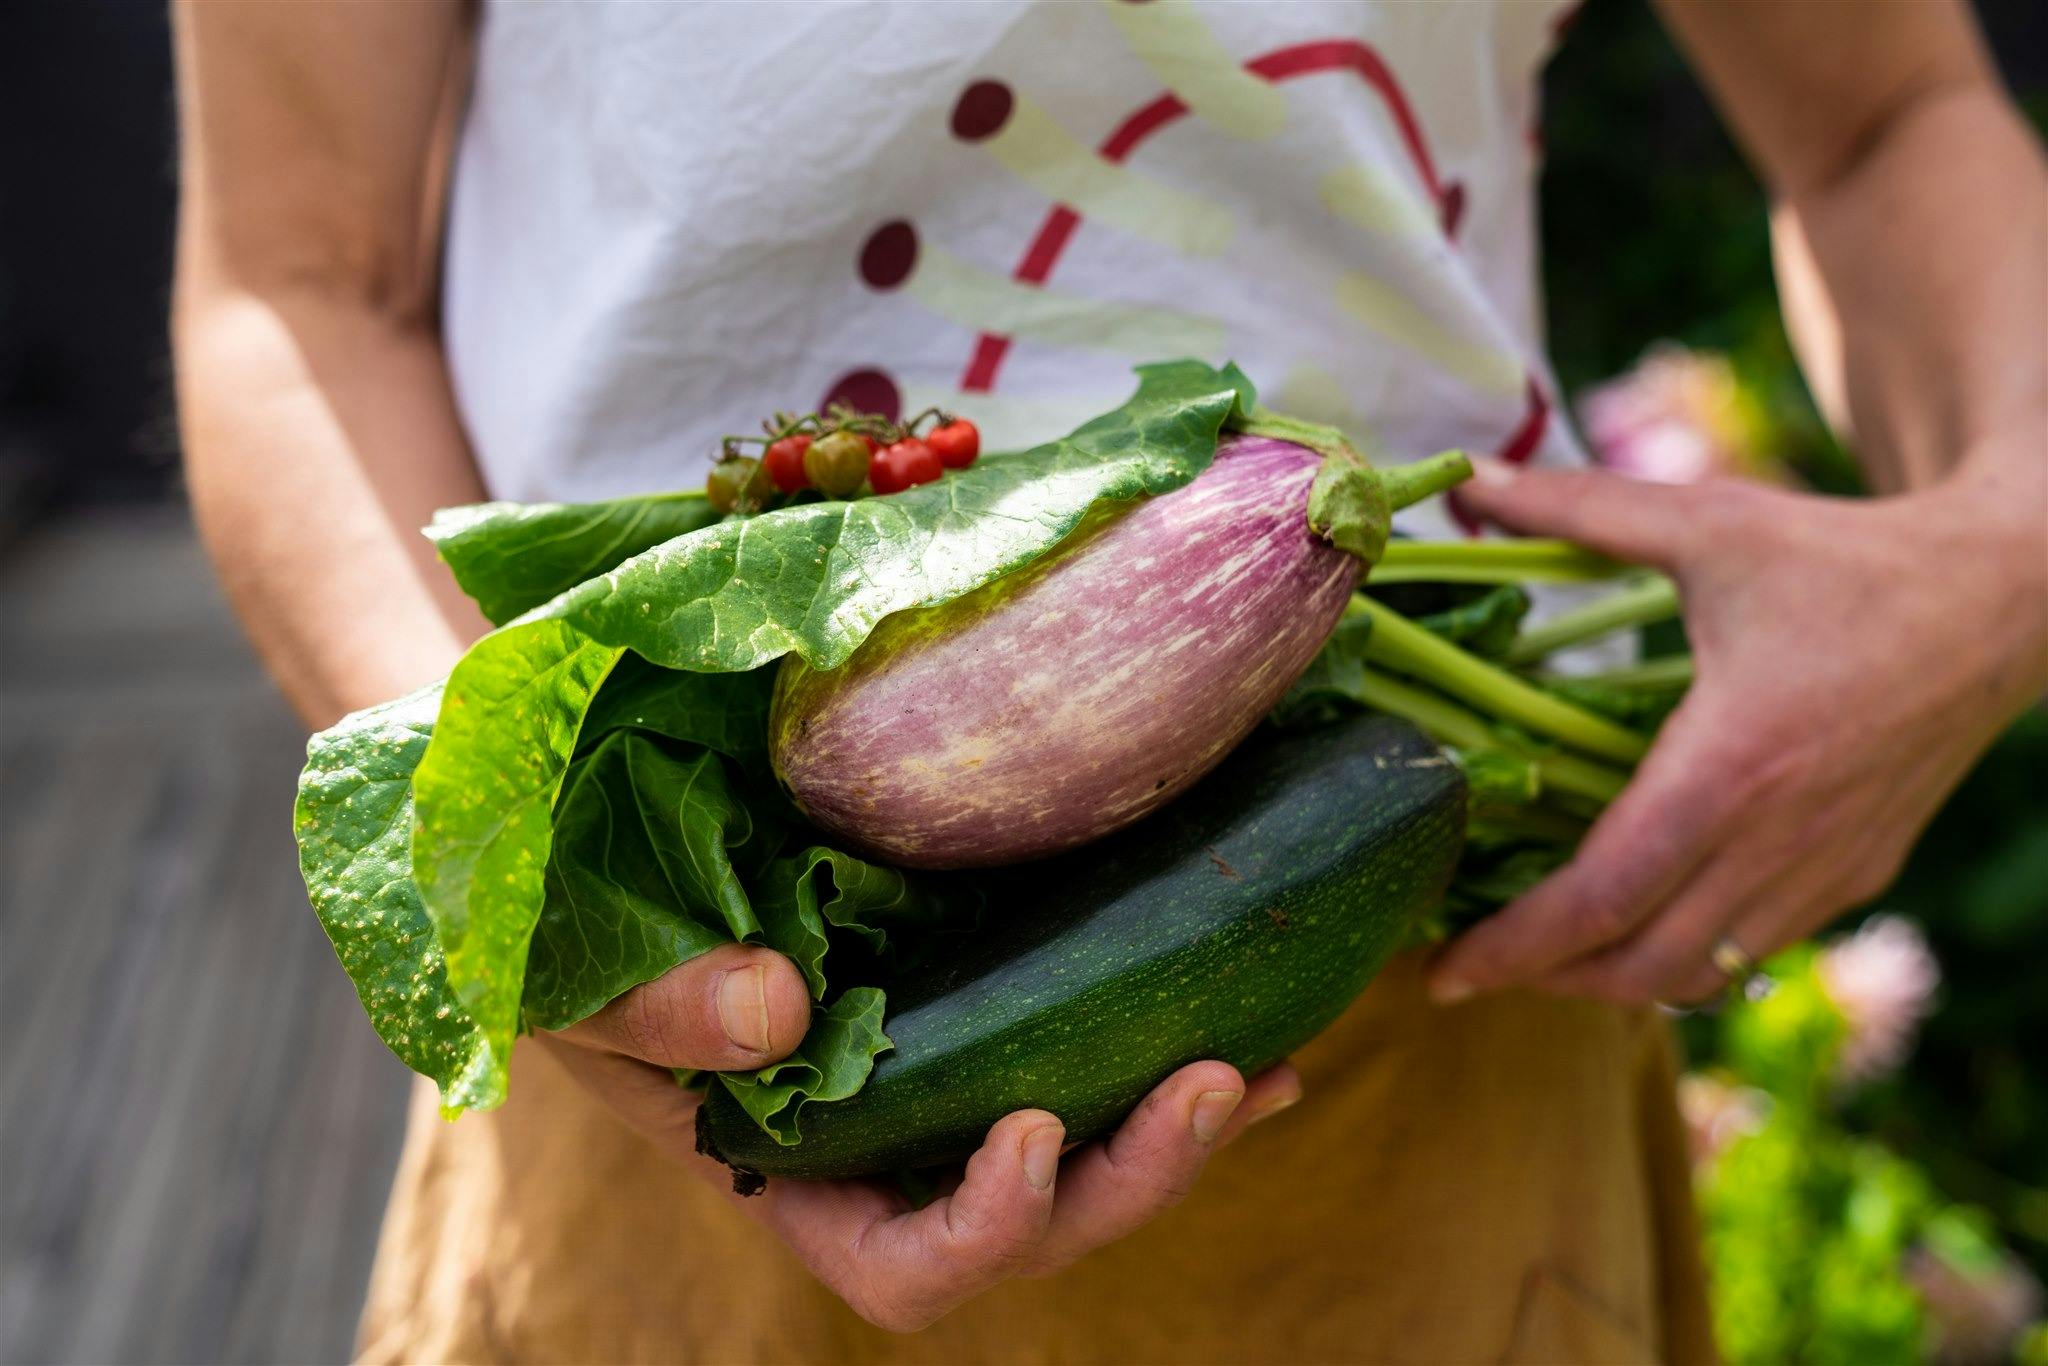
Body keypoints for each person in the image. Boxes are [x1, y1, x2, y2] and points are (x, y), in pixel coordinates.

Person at [173, 1, 2046, 1360]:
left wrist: (1998, 559)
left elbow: (1887, 122)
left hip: (1417, 1023)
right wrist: (521, 872)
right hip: (686, 1048)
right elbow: (297, 277)